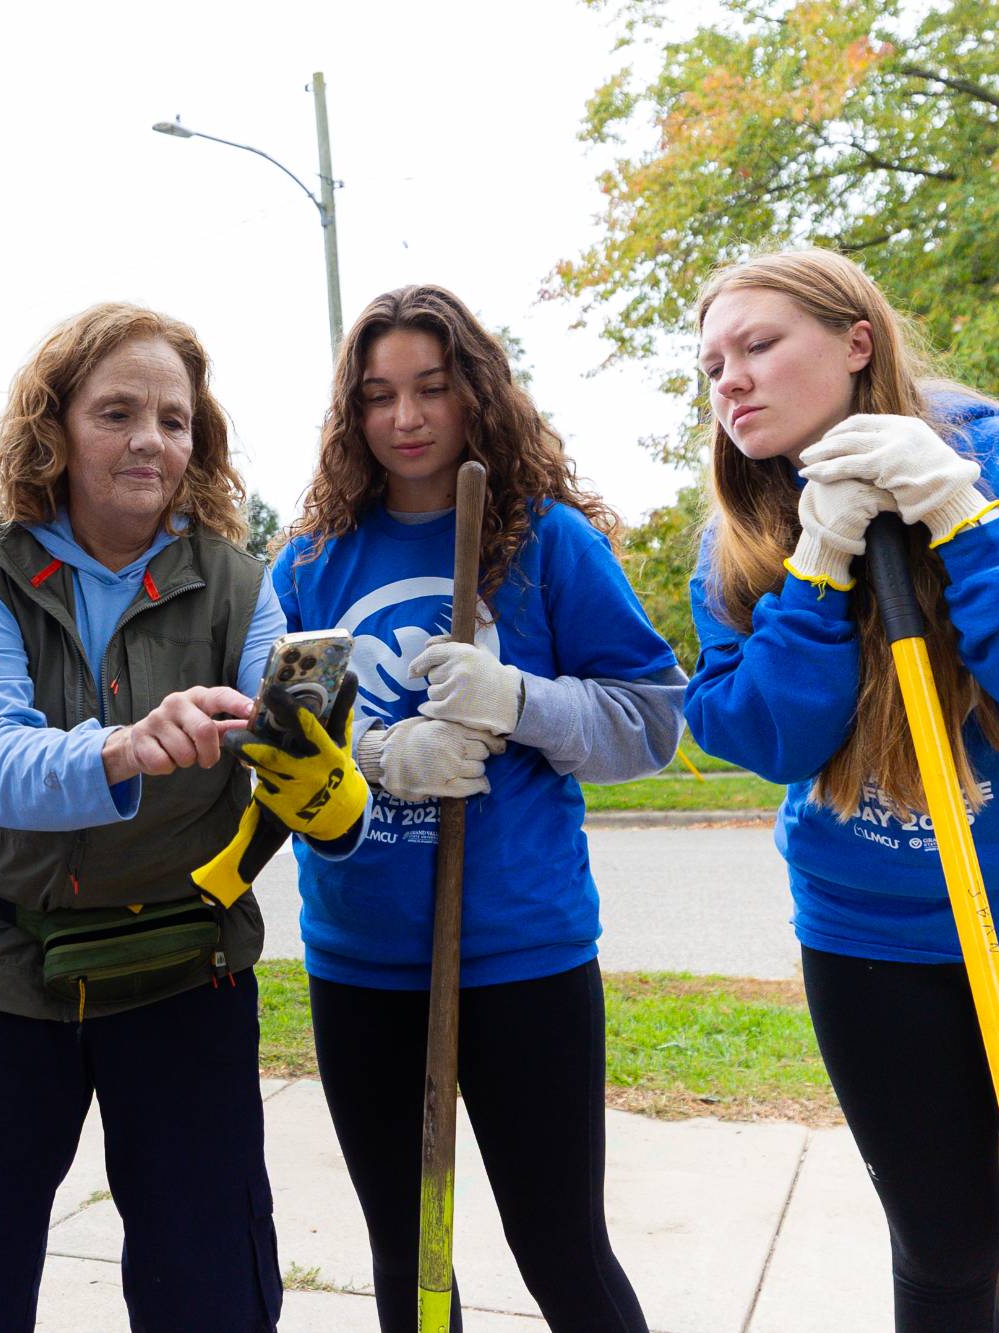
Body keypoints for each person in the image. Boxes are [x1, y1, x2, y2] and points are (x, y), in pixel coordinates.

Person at [684, 247, 999, 1330]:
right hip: (873, 941)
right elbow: (765, 733)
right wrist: (816, 566)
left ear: (856, 342)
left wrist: (962, 518)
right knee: (941, 1265)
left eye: (757, 345)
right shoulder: (742, 524)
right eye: (710, 364)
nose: (729, 382)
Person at [0, 302, 367, 1332]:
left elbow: (297, 749)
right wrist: (122, 745)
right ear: (55, 427)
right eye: (116, 412)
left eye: (173, 417)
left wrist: (326, 779)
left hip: (185, 971)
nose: (149, 439)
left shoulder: (243, 585)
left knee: (209, 1284)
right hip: (7, 970)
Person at [271, 284, 681, 1333]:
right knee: (407, 1254)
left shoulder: (544, 544)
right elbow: (275, 740)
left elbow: (650, 721)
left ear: (475, 396)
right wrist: (374, 753)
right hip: (360, 957)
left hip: (521, 954)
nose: (403, 418)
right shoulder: (311, 561)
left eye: (430, 389)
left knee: (559, 1246)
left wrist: (518, 700)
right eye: (375, 396)